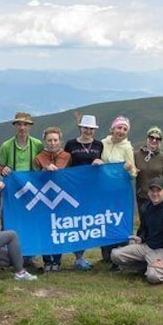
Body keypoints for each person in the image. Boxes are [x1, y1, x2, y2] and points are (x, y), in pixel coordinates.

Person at [110, 178, 163, 284]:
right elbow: (145, 229)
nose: (155, 194)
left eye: (158, 191)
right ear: (148, 193)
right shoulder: (146, 207)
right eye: (152, 191)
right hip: (146, 247)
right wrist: (141, 238)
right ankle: (148, 266)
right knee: (115, 255)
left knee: (153, 277)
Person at [63, 114, 104, 271]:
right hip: (74, 189)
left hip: (92, 189)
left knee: (87, 221)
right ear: (80, 128)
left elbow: (103, 162)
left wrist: (101, 162)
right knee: (76, 221)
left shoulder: (99, 145)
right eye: (86, 128)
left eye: (91, 128)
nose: (88, 131)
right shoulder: (71, 144)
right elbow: (66, 164)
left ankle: (81, 256)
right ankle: (78, 256)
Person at [99, 115, 137, 262]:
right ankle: (106, 255)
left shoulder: (127, 148)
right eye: (119, 127)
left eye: (125, 129)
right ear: (112, 128)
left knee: (118, 221)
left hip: (119, 192)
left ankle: (120, 256)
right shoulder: (103, 143)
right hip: (103, 190)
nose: (121, 131)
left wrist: (129, 169)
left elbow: (133, 172)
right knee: (104, 220)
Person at [34, 126, 72, 272]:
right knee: (44, 228)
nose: (52, 143)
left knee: (59, 228)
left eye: (55, 140)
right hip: (44, 198)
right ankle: (46, 260)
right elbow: (35, 176)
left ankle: (57, 260)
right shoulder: (39, 157)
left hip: (61, 197)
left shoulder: (67, 156)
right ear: (45, 141)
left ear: (60, 140)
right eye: (49, 140)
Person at [134, 126, 163, 217]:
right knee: (144, 223)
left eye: (157, 139)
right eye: (151, 137)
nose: (154, 140)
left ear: (160, 141)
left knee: (157, 223)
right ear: (147, 139)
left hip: (158, 197)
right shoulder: (136, 155)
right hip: (142, 196)